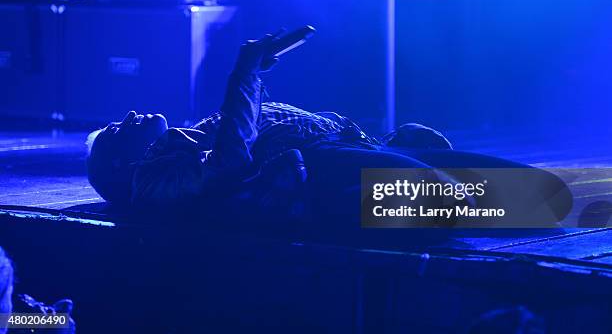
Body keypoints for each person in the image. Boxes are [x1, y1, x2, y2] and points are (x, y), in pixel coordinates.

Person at [86, 34, 572, 233]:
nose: (127, 114)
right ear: (119, 164)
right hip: (323, 172)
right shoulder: (149, 182)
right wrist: (245, 78)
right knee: (450, 203)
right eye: (113, 130)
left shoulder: (198, 130)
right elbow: (231, 164)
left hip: (353, 147)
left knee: (544, 195)